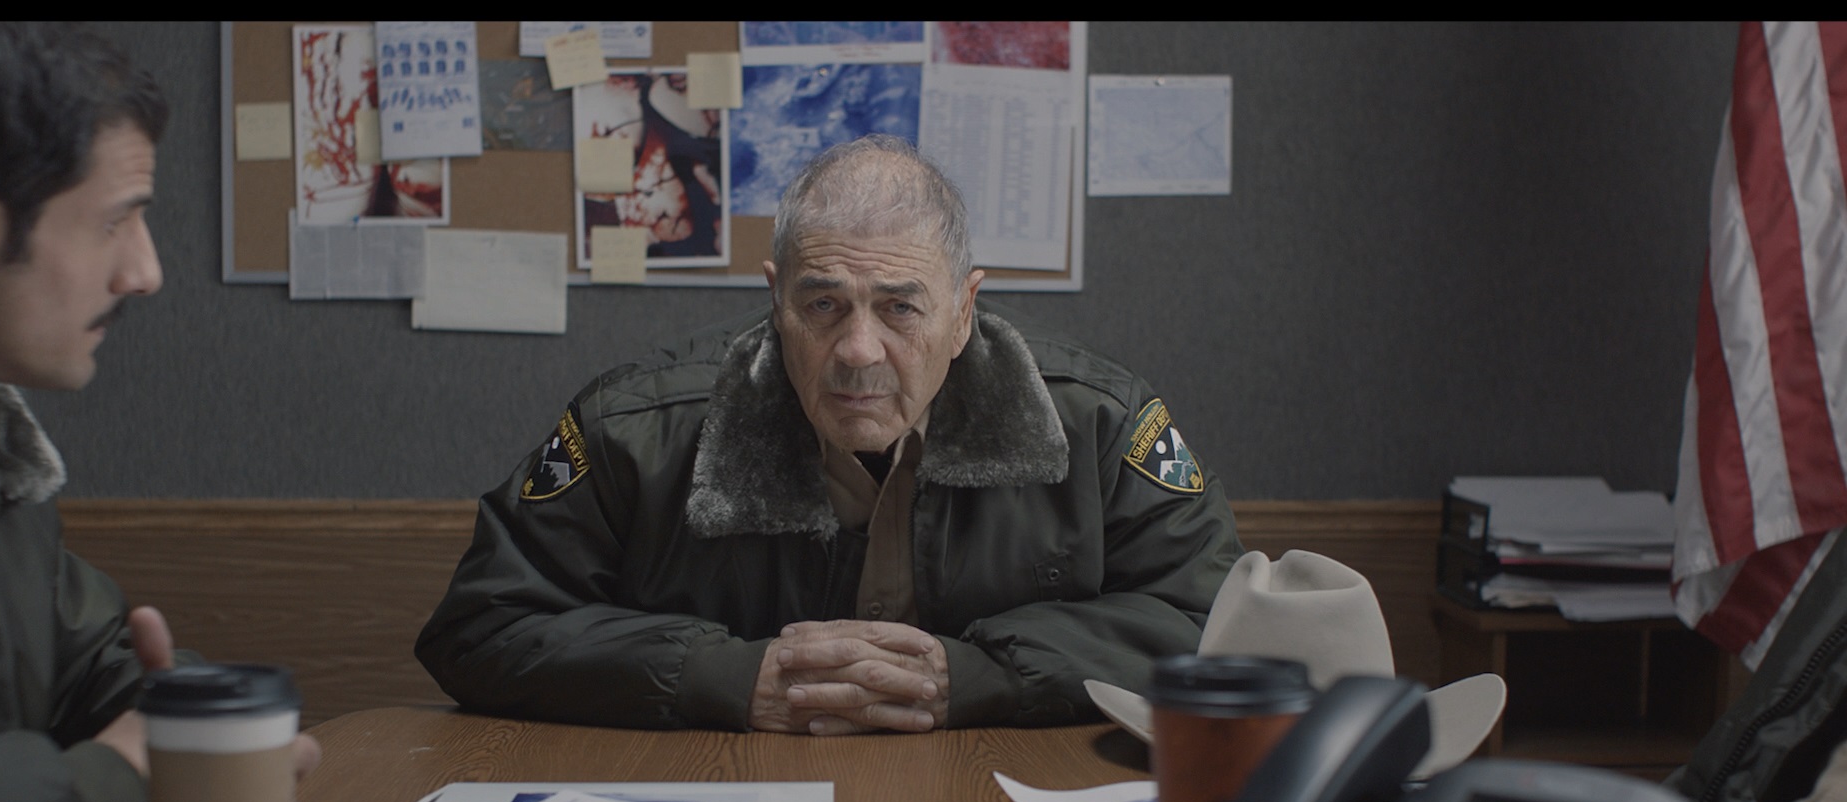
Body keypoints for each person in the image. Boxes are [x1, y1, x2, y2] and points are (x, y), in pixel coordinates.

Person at [418, 134, 1242, 734]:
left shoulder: (1098, 424)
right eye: (823, 304)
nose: (858, 350)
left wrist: (982, 674)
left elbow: (1215, 619)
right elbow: (482, 627)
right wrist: (722, 676)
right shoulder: (635, 432)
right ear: (775, 299)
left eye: (900, 307)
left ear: (964, 311)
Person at [0, 23, 318, 802]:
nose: (145, 273)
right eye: (114, 221)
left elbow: (91, 661)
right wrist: (110, 793)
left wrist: (202, 727)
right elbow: (111, 774)